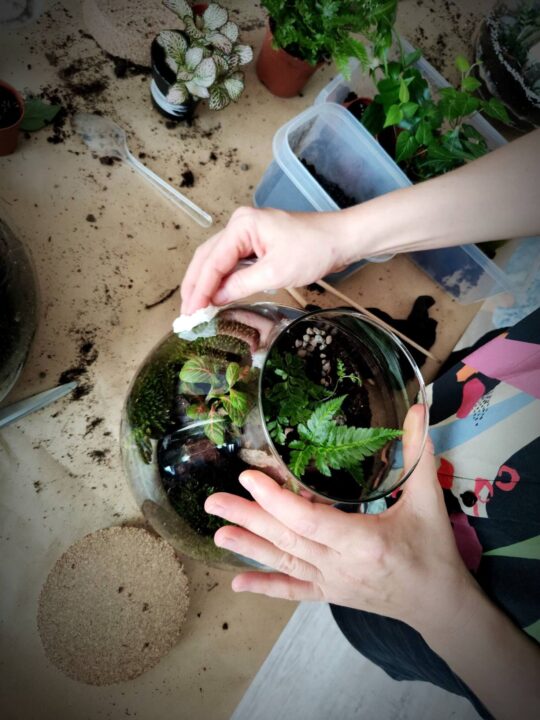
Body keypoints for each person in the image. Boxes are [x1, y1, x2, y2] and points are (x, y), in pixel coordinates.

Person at [181, 129, 540, 720]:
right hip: (479, 402)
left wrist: (441, 609)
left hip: (477, 617)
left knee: (372, 621)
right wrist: (343, 234)